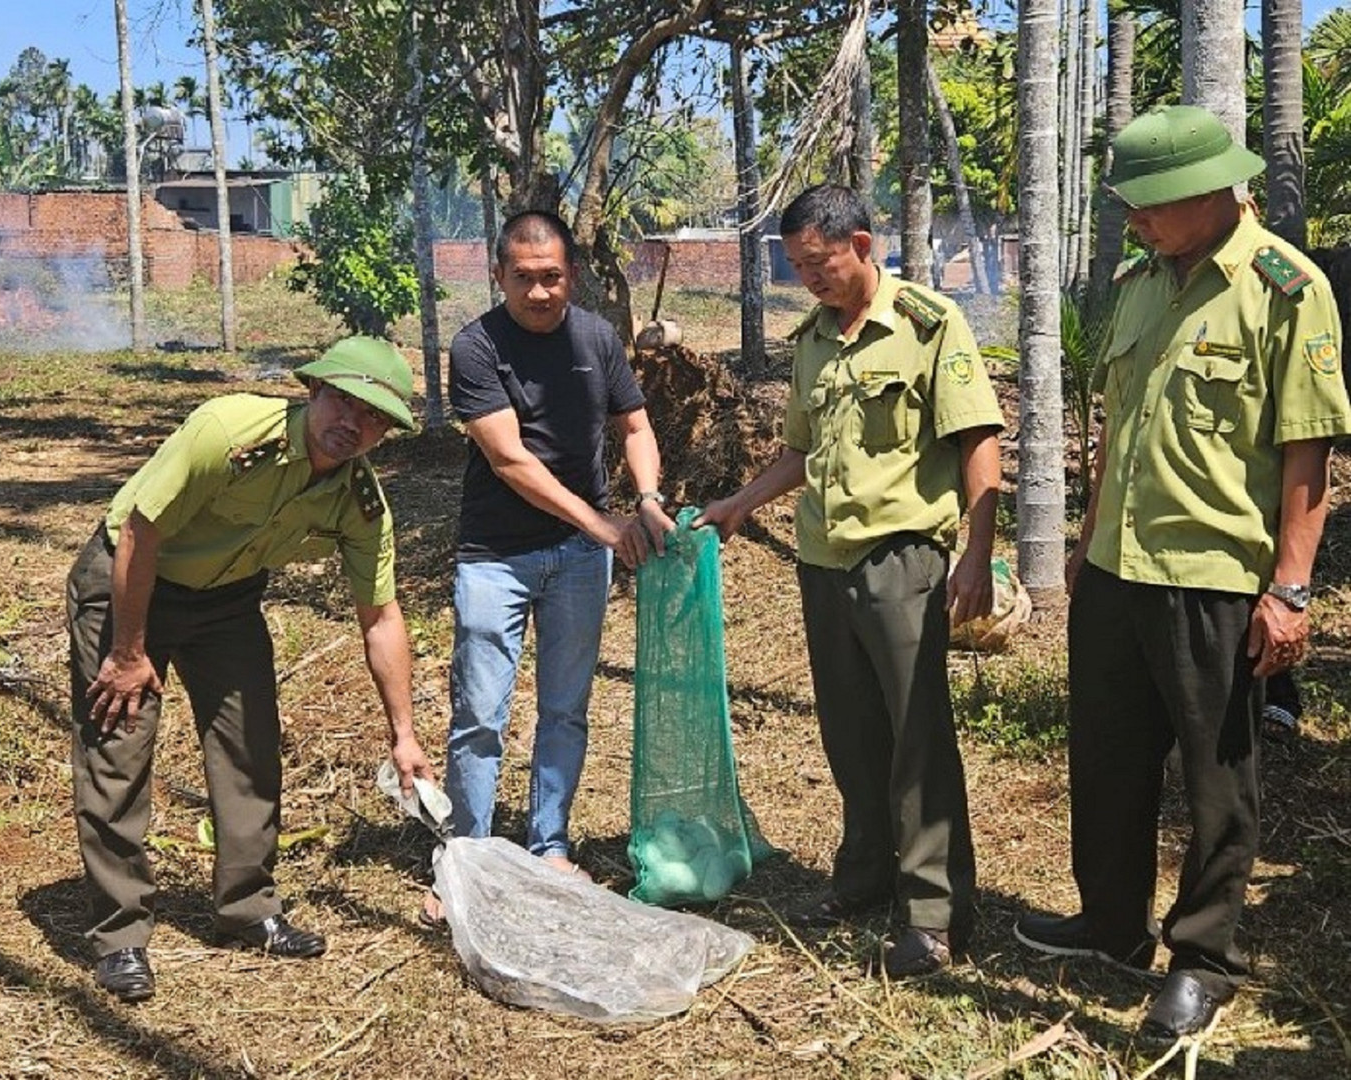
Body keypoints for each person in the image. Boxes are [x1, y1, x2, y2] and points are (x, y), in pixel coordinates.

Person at [1013, 105, 1351, 1039]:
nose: (1135, 219)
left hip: (1215, 575)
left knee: (1215, 783)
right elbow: (1119, 427)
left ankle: (1203, 957)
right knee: (1107, 759)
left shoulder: (1287, 291)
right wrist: (1086, 540)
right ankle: (1112, 925)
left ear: (1212, 192)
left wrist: (1289, 587)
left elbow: (1307, 452)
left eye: (1151, 204)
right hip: (1119, 568)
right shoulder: (1139, 283)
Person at [67, 336, 435, 1003]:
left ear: (387, 431)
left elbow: (380, 617)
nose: (353, 422)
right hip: (128, 580)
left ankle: (247, 905)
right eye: (344, 401)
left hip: (226, 601)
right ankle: (121, 935)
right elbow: (140, 533)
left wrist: (404, 734)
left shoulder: (360, 502)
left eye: (374, 415)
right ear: (313, 392)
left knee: (249, 743)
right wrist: (127, 652)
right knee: (118, 746)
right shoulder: (228, 430)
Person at [696, 184, 1003, 978]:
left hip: (902, 560)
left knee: (917, 736)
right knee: (850, 733)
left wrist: (976, 553)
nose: (812, 279)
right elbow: (801, 451)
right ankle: (865, 877)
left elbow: (976, 440)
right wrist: (738, 502)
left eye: (821, 262)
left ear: (863, 245)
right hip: (825, 564)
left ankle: (935, 915)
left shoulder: (930, 325)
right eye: (797, 267)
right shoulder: (812, 341)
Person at [443, 210, 675, 880]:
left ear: (571, 274)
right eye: (524, 278)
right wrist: (602, 525)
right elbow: (510, 461)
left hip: (578, 563)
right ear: (499, 276)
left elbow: (634, 426)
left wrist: (649, 498)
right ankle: (469, 859)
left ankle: (549, 847)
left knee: (565, 710)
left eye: (552, 277)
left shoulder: (597, 338)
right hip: (495, 557)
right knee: (481, 716)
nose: (540, 292)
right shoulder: (476, 347)